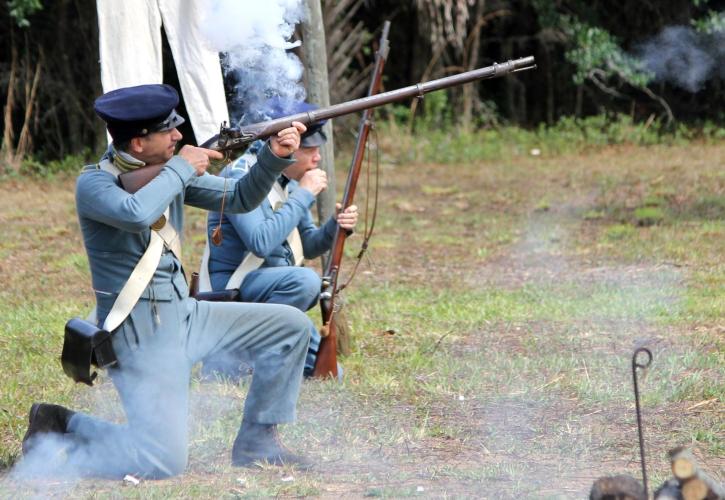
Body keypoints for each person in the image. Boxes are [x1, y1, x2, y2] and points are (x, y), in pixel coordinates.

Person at [20, 84, 314, 479]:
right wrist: (180, 168)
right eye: (169, 131)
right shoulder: (93, 184)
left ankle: (257, 440)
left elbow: (241, 197)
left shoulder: (166, 174)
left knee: (291, 325)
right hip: (140, 333)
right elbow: (136, 214)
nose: (179, 136)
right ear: (139, 144)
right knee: (161, 463)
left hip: (185, 314)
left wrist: (272, 157)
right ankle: (60, 422)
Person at [201, 100, 357, 379]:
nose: (317, 158)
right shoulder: (241, 176)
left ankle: (257, 356)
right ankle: (231, 359)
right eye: (309, 149)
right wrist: (304, 195)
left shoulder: (288, 184)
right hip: (233, 291)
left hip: (268, 293)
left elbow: (308, 244)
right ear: (287, 144)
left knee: (332, 374)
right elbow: (260, 242)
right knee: (305, 281)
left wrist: (336, 225)